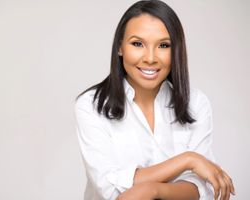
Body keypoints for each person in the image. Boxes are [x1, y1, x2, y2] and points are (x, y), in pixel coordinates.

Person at [75, 0, 235, 199]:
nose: (150, 58)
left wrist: (152, 190)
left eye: (163, 45)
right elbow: (110, 189)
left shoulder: (196, 104)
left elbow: (205, 188)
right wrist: (188, 160)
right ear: (119, 47)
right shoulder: (91, 106)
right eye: (137, 44)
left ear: (175, 50)